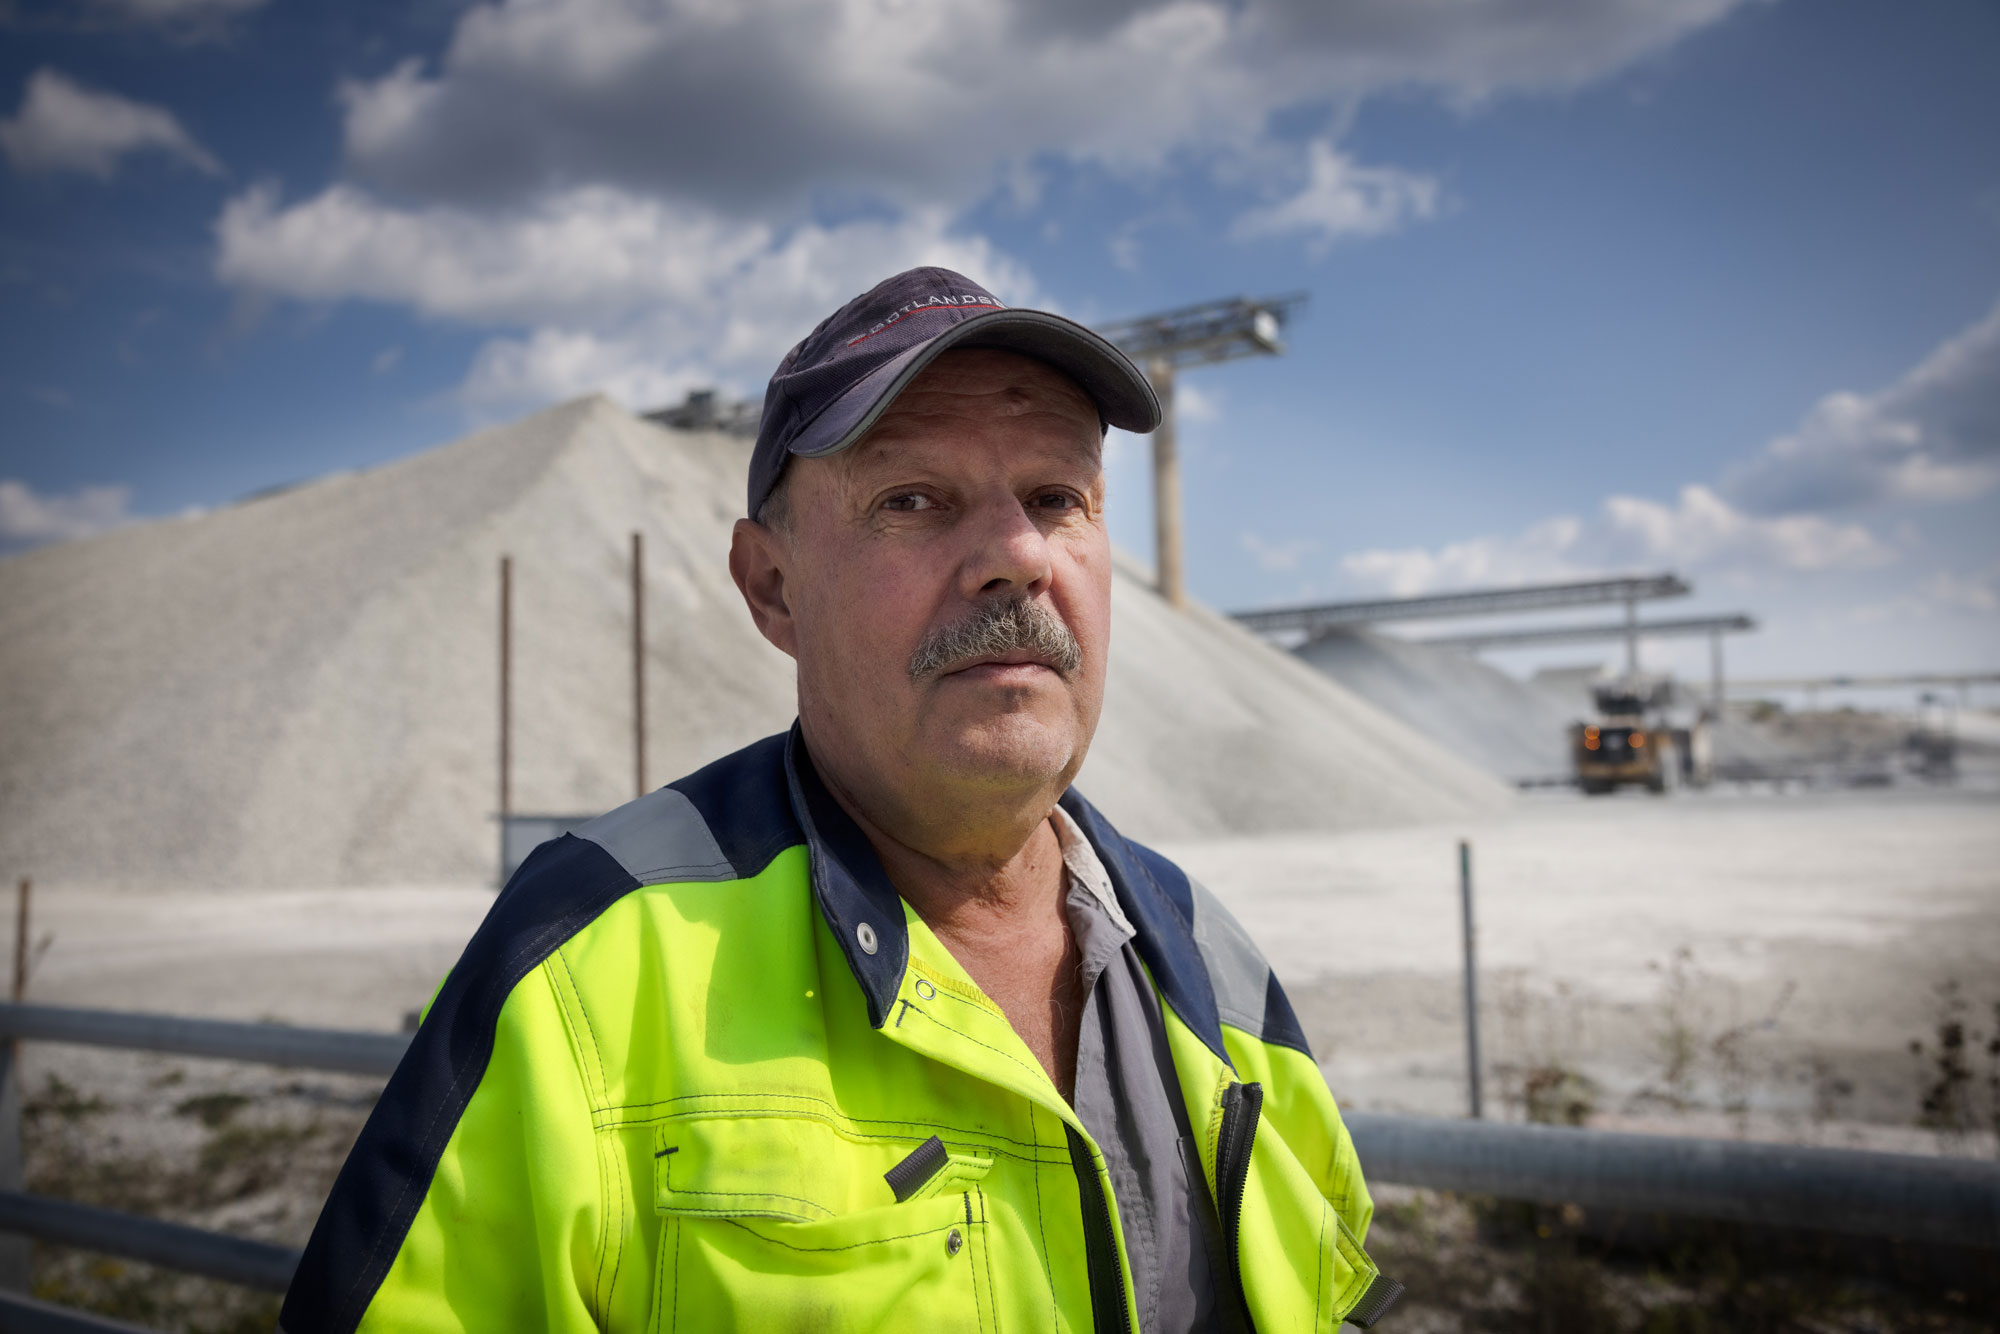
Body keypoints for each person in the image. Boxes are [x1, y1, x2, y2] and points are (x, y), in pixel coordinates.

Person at [279, 268, 1399, 1333]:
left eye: (1056, 498)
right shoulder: (584, 967)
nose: (1013, 553)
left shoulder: (1213, 967)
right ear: (771, 586)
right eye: (912, 499)